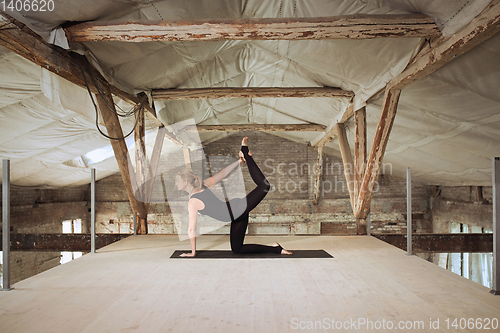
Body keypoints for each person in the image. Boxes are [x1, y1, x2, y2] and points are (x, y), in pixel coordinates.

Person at [176, 137, 292, 257]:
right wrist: (238, 161)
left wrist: (193, 253)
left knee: (264, 186)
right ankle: (276, 249)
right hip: (236, 214)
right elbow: (223, 173)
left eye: (178, 181)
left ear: (185, 183)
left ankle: (245, 152)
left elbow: (191, 229)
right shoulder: (203, 185)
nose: (176, 183)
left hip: (237, 209)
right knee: (237, 249)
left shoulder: (193, 201)